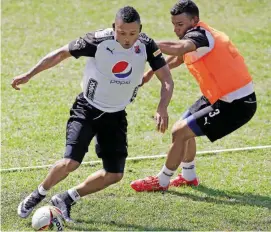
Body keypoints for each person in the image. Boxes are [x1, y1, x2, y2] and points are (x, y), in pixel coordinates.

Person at [13, 6, 174, 221]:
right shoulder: (98, 41)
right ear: (113, 27)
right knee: (71, 162)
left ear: (140, 30)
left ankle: (67, 198)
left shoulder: (146, 45)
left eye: (132, 33)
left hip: (116, 115)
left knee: (115, 175)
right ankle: (38, 194)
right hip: (87, 109)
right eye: (122, 32)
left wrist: (162, 106)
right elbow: (62, 53)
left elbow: (167, 80)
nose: (127, 39)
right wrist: (29, 74)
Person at [130, 0, 257, 192]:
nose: (176, 29)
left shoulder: (200, 35)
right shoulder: (197, 35)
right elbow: (180, 57)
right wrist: (149, 73)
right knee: (183, 127)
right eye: (173, 24)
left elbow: (180, 48)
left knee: (179, 132)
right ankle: (189, 176)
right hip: (219, 97)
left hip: (237, 104)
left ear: (194, 20)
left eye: (180, 24)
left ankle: (162, 181)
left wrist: (146, 43)